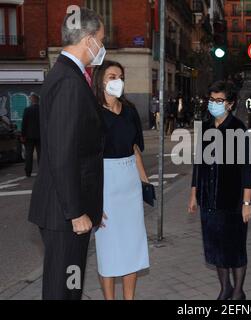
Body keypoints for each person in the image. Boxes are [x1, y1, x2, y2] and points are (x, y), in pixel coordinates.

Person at [28, 7, 106, 300]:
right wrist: (75, 211)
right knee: (63, 290)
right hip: (64, 213)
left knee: (69, 287)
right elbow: (62, 153)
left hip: (67, 208)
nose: (101, 46)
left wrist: (89, 202)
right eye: (101, 38)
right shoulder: (70, 82)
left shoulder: (67, 75)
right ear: (88, 39)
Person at [188, 81, 251, 300]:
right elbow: (199, 163)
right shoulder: (206, 128)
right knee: (215, 248)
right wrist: (193, 194)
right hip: (208, 200)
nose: (214, 104)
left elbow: (247, 168)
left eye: (219, 101)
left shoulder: (238, 128)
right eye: (211, 100)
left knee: (234, 249)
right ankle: (225, 287)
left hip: (232, 201)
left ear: (230, 104)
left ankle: (238, 292)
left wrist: (246, 203)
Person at [92, 60, 150, 300]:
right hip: (104, 181)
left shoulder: (130, 110)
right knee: (108, 249)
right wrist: (93, 200)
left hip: (129, 183)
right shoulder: (92, 112)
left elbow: (134, 148)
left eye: (120, 76)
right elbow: (85, 159)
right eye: (111, 76)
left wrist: (145, 183)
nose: (117, 81)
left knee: (132, 247)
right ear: (100, 81)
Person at [21, 92, 41, 177]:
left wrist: (23, 135)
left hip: (29, 136)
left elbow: (24, 123)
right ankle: (41, 171)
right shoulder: (42, 109)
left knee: (29, 154)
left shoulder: (27, 110)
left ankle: (28, 172)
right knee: (40, 153)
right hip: (40, 135)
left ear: (32, 99)